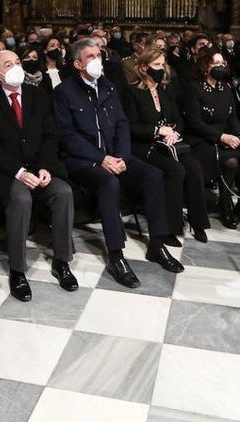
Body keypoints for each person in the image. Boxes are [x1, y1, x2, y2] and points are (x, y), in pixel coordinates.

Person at [53, 38, 184, 288]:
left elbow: (122, 124)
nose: (97, 61)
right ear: (78, 63)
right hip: (83, 161)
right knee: (109, 183)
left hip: (116, 156)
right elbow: (66, 135)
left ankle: (157, 244)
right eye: (90, 57)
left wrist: (122, 157)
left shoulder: (108, 87)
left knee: (153, 175)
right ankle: (116, 255)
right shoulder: (64, 92)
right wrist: (101, 159)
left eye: (98, 56)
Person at [0, 50, 77, 301]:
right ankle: (18, 271)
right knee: (21, 199)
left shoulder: (39, 96)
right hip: (6, 172)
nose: (16, 67)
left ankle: (62, 262)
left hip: (38, 167)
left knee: (63, 192)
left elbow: (49, 136)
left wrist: (45, 167)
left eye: (18, 62)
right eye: (8, 65)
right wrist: (19, 172)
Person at [123, 47, 209, 243]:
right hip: (144, 144)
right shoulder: (132, 92)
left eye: (162, 65)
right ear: (144, 67)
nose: (160, 69)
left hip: (170, 143)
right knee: (175, 170)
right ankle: (171, 226)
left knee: (194, 167)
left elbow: (178, 118)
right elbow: (130, 126)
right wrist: (157, 131)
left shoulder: (166, 89)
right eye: (156, 65)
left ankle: (198, 222)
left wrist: (175, 132)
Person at [182, 47, 240, 232]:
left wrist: (238, 135)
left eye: (223, 63)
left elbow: (232, 117)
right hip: (203, 139)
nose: (221, 67)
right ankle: (225, 204)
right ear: (206, 67)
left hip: (226, 136)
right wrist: (221, 137)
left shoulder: (225, 88)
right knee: (231, 162)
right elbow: (194, 122)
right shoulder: (193, 88)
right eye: (216, 63)